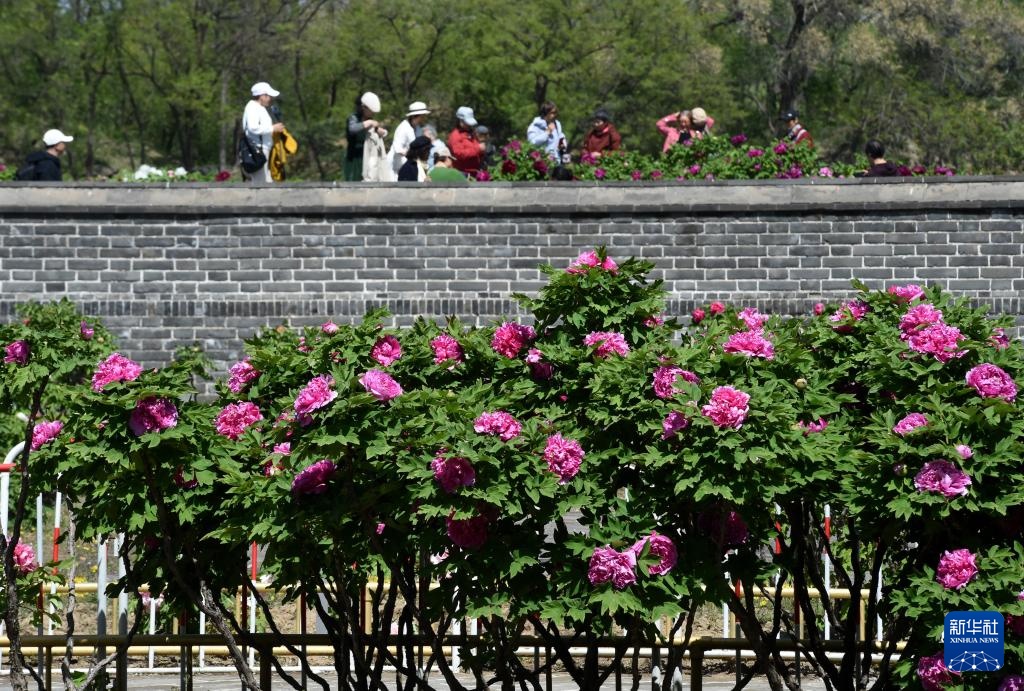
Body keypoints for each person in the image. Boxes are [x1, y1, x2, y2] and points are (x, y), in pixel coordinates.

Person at [243, 81, 285, 183]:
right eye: (268, 96)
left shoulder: (259, 107)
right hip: (257, 151)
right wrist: (272, 128)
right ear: (262, 96)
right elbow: (253, 127)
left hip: (263, 150)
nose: (270, 99)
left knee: (267, 182)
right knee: (260, 183)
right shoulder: (252, 107)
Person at [345, 92, 387, 181]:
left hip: (367, 156)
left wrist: (378, 130)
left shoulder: (371, 120)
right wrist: (369, 123)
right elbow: (352, 129)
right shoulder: (354, 118)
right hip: (354, 158)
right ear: (364, 108)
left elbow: (381, 133)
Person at [389, 101, 431, 177]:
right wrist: (411, 153)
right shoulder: (404, 128)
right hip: (397, 168)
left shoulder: (417, 128)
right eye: (422, 116)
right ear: (416, 116)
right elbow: (397, 148)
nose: (424, 118)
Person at [448, 106, 485, 177]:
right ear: (460, 121)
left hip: (475, 172)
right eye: (466, 122)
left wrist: (481, 152)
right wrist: (478, 149)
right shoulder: (455, 135)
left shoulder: (471, 133)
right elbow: (458, 154)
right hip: (462, 174)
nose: (469, 125)